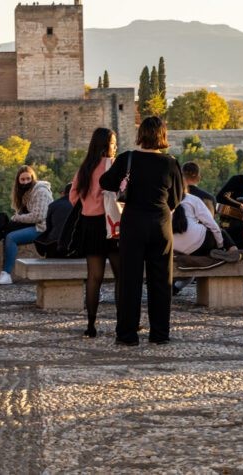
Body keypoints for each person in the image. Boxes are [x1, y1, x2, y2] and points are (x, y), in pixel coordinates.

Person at [100, 116, 184, 346]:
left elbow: (105, 182)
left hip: (133, 222)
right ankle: (160, 334)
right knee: (161, 281)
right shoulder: (171, 163)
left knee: (130, 280)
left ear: (141, 135)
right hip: (160, 224)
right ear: (162, 136)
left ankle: (127, 335)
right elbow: (177, 198)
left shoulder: (127, 159)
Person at [68, 128, 120, 338]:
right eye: (113, 143)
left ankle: (91, 325)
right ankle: (124, 323)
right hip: (112, 225)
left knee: (94, 277)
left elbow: (72, 196)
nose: (115, 147)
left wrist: (88, 204)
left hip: (90, 225)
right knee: (121, 276)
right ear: (105, 145)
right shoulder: (114, 166)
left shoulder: (85, 168)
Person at [0, 165, 53, 286]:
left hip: (42, 227)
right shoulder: (27, 193)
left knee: (12, 237)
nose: (25, 182)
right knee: (7, 229)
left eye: (28, 179)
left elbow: (39, 216)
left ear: (33, 178)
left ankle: (6, 274)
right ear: (18, 181)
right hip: (34, 224)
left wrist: (18, 218)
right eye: (22, 180)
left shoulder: (40, 191)